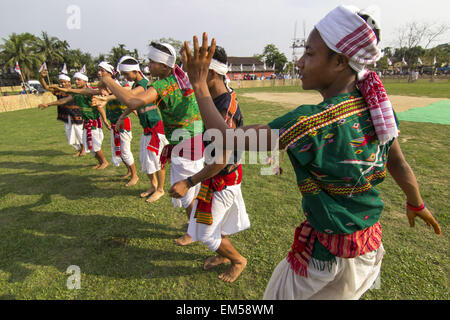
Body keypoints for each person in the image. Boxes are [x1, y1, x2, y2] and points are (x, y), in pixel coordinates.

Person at [181, 5, 441, 299]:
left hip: (325, 260)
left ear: (340, 61)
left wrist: (199, 85)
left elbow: (226, 139)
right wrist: (416, 203)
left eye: (310, 53)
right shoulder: (377, 107)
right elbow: (399, 163)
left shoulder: (309, 122)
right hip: (367, 250)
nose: (300, 61)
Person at [99, 43, 205, 244]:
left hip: (185, 145)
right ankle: (196, 224)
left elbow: (132, 101)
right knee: (193, 190)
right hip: (195, 140)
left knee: (187, 194)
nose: (148, 65)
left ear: (164, 66)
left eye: (152, 62)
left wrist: (108, 81)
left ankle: (193, 232)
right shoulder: (181, 78)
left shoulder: (163, 85)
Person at [169, 46, 249, 283]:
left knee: (204, 233)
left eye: (194, 73)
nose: (189, 78)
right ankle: (224, 256)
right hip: (217, 177)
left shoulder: (224, 109)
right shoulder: (217, 96)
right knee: (207, 222)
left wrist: (189, 181)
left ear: (211, 74)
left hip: (223, 179)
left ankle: (237, 260)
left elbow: (221, 159)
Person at [95, 56, 168, 198]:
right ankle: (153, 186)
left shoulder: (144, 83)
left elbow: (129, 96)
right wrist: (123, 116)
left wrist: (107, 97)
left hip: (155, 128)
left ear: (135, 71)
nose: (125, 77)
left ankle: (160, 189)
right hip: (147, 129)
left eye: (126, 74)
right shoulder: (136, 85)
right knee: (145, 160)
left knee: (157, 159)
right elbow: (133, 103)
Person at [61, 61, 139, 186]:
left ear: (109, 73)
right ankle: (129, 171)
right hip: (115, 123)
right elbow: (87, 92)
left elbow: (128, 92)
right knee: (118, 150)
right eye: (98, 70)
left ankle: (135, 175)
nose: (99, 73)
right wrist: (69, 90)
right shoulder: (105, 88)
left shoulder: (116, 87)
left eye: (102, 70)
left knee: (125, 151)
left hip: (123, 123)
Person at [47, 69, 109, 169]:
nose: (76, 82)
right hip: (86, 123)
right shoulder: (76, 93)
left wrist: (105, 120)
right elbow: (63, 100)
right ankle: (100, 162)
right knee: (89, 145)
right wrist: (48, 104)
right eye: (75, 80)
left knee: (95, 145)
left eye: (78, 80)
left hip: (93, 123)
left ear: (85, 81)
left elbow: (100, 107)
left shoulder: (90, 92)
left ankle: (104, 162)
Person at [38, 70, 85, 157]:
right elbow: (46, 87)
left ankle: (83, 149)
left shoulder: (73, 91)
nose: (62, 84)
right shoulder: (58, 90)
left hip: (76, 115)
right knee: (70, 134)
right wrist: (41, 77)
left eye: (64, 82)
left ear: (69, 82)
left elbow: (61, 101)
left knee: (79, 133)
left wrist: (47, 104)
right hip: (66, 115)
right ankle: (78, 149)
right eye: (61, 82)